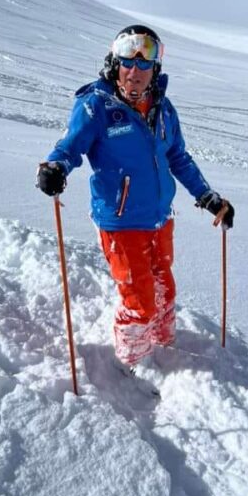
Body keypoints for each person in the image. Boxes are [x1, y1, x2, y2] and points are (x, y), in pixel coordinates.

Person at [36, 25, 234, 370]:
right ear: (115, 63)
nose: (136, 71)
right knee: (140, 300)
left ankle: (164, 346)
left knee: (163, 289)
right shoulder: (96, 106)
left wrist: (208, 197)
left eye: (145, 64)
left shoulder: (163, 108)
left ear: (155, 69)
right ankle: (135, 363)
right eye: (128, 61)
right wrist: (55, 167)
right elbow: (69, 147)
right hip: (121, 221)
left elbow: (179, 158)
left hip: (159, 215)